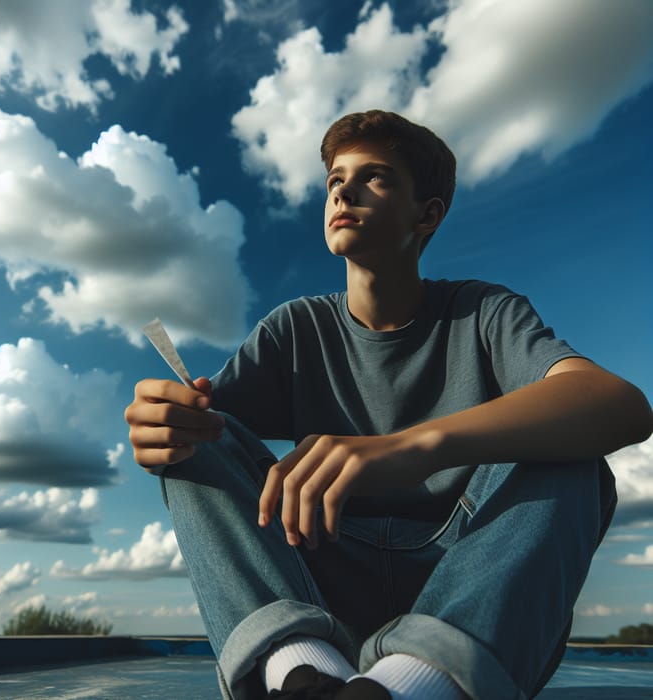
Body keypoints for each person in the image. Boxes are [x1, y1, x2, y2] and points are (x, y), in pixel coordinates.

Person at [124, 110, 653, 700]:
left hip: (469, 587)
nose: (342, 190)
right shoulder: (294, 329)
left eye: (374, 177)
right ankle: (300, 671)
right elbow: (202, 438)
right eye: (334, 181)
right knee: (199, 439)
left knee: (571, 452)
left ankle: (414, 684)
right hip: (321, 583)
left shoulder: (485, 313)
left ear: (427, 215)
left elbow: (622, 406)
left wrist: (415, 448)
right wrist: (162, 426)